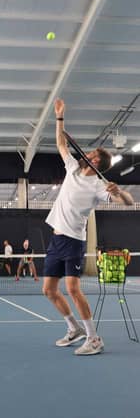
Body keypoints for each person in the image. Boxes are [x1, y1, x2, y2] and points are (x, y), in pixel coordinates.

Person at [43, 98, 134, 355]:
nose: (88, 155)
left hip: (73, 240)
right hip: (56, 239)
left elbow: (126, 202)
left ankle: (94, 338)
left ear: (97, 164)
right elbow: (61, 143)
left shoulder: (98, 187)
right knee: (48, 290)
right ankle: (74, 328)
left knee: (72, 288)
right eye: (89, 153)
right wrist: (60, 117)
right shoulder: (72, 168)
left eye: (92, 155)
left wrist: (120, 192)